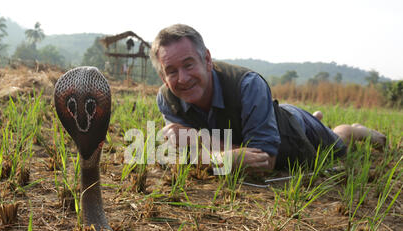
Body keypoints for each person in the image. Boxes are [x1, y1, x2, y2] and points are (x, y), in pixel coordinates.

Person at [149, 24, 386, 173]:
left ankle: (358, 131)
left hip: (293, 128)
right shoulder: (167, 99)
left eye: (189, 65)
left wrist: (202, 144)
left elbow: (264, 161)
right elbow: (187, 155)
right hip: (265, 121)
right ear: (162, 75)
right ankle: (317, 119)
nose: (182, 78)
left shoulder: (248, 84)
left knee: (337, 146)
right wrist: (226, 157)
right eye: (171, 71)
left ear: (207, 60)